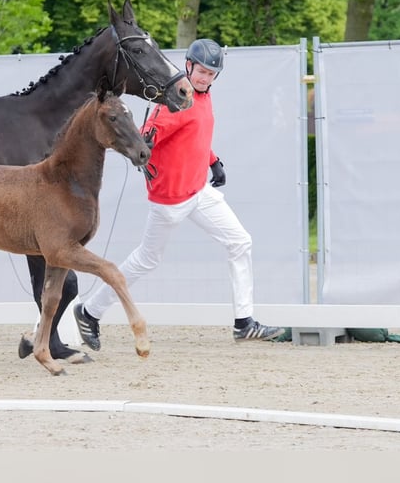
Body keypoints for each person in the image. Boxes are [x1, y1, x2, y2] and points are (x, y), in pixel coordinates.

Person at [73, 38, 284, 350]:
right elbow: (143, 140)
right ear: (188, 66)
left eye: (211, 74)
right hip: (171, 200)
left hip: (199, 191)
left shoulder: (202, 97)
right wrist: (146, 147)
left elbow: (195, 135)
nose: (204, 78)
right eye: (200, 71)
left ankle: (244, 322)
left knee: (240, 242)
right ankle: (89, 311)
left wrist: (213, 161)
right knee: (146, 260)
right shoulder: (174, 104)